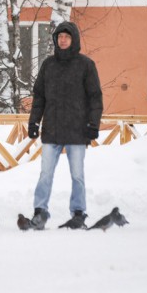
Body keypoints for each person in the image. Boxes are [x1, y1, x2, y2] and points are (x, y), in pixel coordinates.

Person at [28, 21, 103, 230]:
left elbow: (95, 97)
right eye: (60, 37)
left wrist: (93, 124)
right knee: (45, 174)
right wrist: (34, 121)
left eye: (66, 37)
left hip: (77, 130)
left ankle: (78, 213)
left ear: (73, 40)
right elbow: (39, 97)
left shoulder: (85, 65)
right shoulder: (48, 65)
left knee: (77, 175)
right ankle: (40, 212)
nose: (62, 40)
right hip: (51, 129)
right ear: (55, 40)